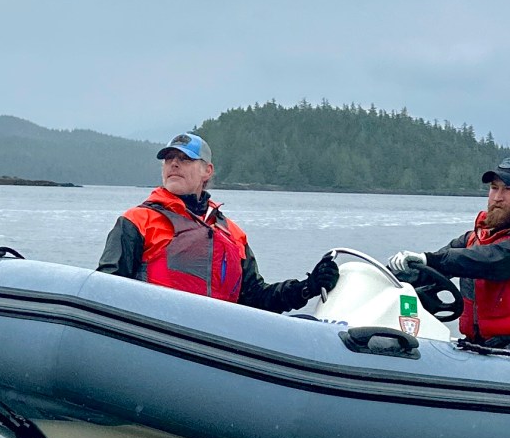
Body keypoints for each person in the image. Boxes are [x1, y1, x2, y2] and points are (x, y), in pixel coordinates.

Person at [99, 133, 340, 311]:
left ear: (207, 171)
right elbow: (105, 289)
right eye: (169, 159)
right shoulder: (137, 221)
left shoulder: (234, 235)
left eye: (185, 159)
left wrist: (307, 287)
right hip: (154, 333)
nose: (174, 164)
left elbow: (256, 298)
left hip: (216, 341)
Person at [386, 154, 510, 353]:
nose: (497, 197)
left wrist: (431, 259)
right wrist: (397, 274)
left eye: (509, 189)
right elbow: (436, 266)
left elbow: (494, 260)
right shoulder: (475, 238)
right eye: (494, 188)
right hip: (485, 346)